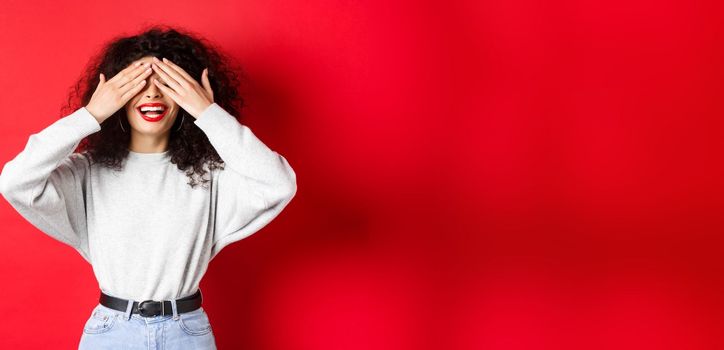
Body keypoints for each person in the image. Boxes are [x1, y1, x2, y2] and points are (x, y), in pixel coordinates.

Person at [0, 25, 297, 349]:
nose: (153, 94)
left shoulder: (211, 175)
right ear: (116, 97)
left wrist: (208, 113)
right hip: (111, 333)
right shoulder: (87, 172)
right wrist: (91, 115)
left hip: (187, 332)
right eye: (138, 85)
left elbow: (278, 183)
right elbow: (15, 181)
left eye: (168, 84)